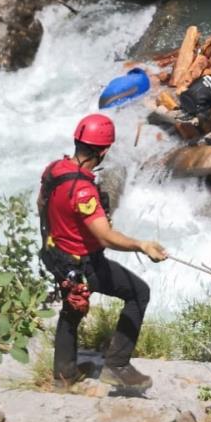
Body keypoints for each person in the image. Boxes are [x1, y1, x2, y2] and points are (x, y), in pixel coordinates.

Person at [38, 113, 168, 391]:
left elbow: (41, 204)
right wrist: (142, 245)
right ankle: (117, 365)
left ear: (77, 141)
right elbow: (105, 237)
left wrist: (61, 233)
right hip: (86, 264)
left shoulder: (54, 170)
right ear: (104, 151)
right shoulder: (83, 191)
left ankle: (64, 376)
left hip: (59, 256)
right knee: (138, 293)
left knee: (71, 310)